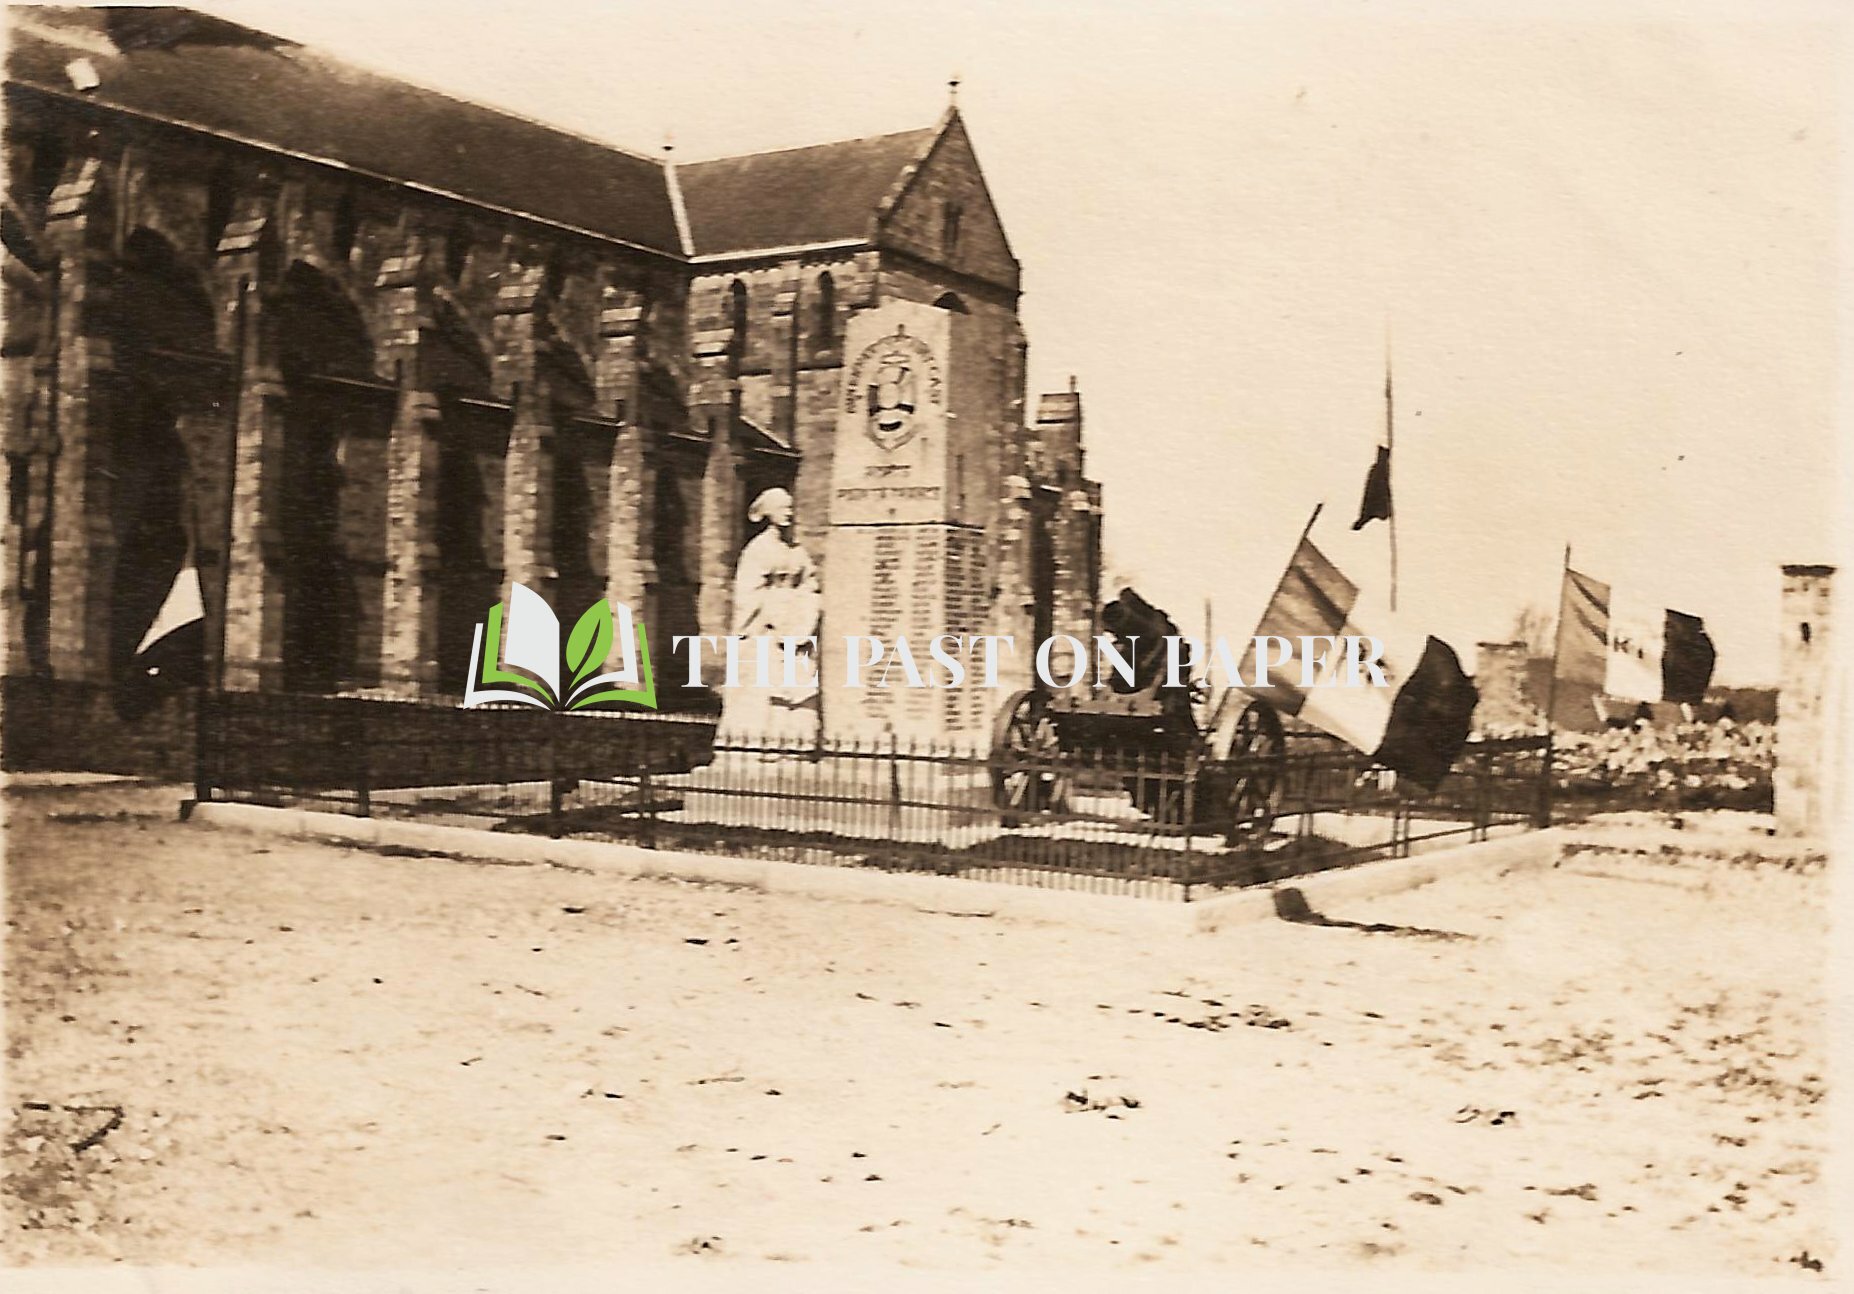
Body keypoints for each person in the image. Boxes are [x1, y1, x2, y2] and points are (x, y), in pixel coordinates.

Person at [718, 487, 821, 747]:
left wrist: (805, 607)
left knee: (797, 683)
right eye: (782, 508)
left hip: (797, 623)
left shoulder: (797, 550)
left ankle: (794, 745)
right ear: (768, 513)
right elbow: (748, 591)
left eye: (790, 507)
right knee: (764, 683)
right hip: (766, 627)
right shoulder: (758, 549)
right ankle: (760, 746)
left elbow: (810, 582)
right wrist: (758, 622)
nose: (788, 512)